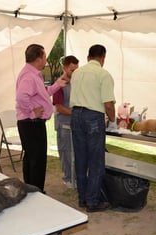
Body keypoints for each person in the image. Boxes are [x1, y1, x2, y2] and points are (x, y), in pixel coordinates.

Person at [70, 44, 116, 212]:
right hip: (93, 117)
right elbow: (108, 104)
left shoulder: (76, 73)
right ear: (103, 58)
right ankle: (92, 201)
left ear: (88, 57)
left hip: (75, 115)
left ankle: (83, 198)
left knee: (81, 158)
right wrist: (113, 120)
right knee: (96, 161)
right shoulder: (103, 74)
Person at [15, 44, 67, 193]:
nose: (46, 60)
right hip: (31, 122)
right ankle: (37, 191)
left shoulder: (32, 73)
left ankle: (31, 189)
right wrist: (32, 112)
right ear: (38, 59)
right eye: (44, 57)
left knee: (31, 157)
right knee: (37, 159)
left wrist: (58, 84)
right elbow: (21, 97)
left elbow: (43, 94)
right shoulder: (29, 76)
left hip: (30, 123)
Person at [52, 55, 79, 189]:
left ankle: (75, 177)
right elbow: (59, 107)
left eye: (76, 70)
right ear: (64, 68)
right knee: (66, 152)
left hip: (73, 123)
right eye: (72, 70)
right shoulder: (59, 84)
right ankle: (68, 178)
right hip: (63, 123)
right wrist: (75, 113)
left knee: (76, 152)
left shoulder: (76, 82)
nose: (74, 73)